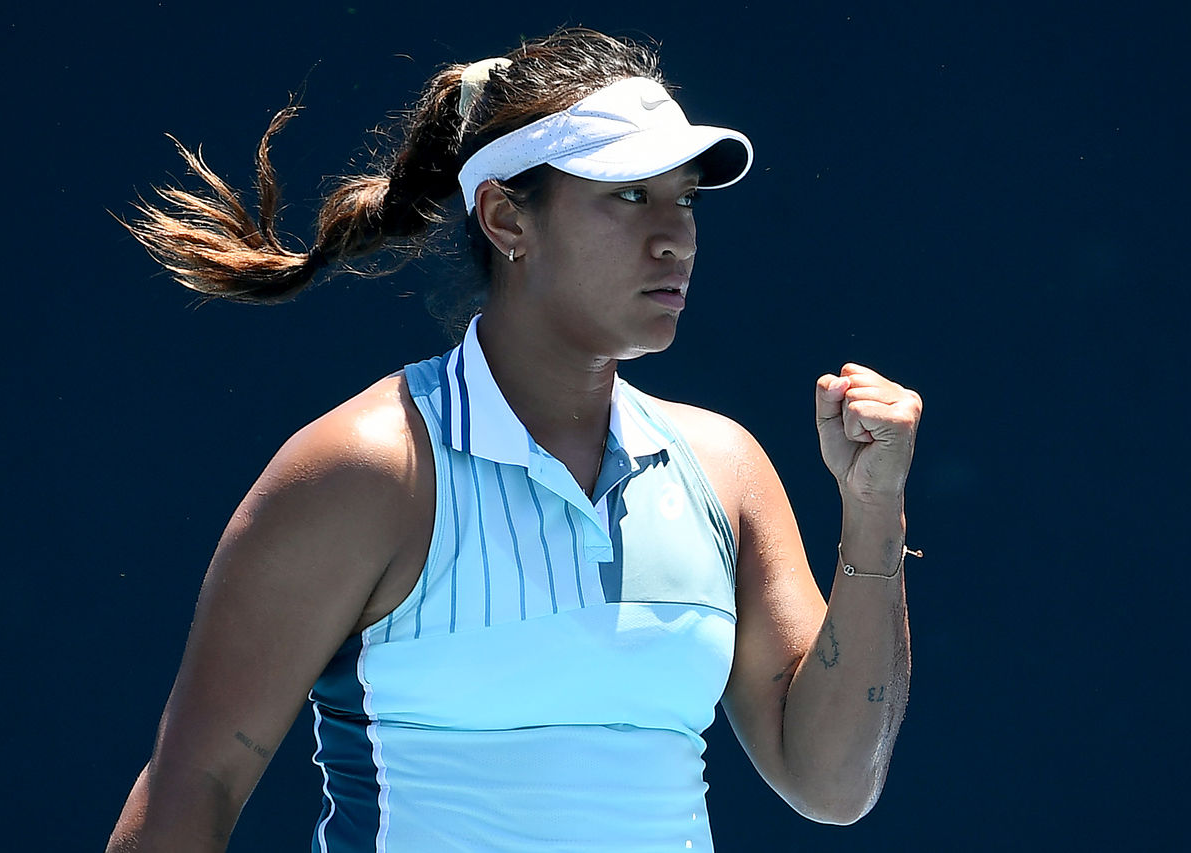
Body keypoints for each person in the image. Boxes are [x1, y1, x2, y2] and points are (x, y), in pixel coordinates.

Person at [107, 28, 922, 853]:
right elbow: (191, 788)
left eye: (686, 197)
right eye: (630, 196)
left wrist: (873, 510)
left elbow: (832, 784)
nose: (677, 234)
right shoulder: (366, 471)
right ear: (504, 217)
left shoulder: (726, 468)